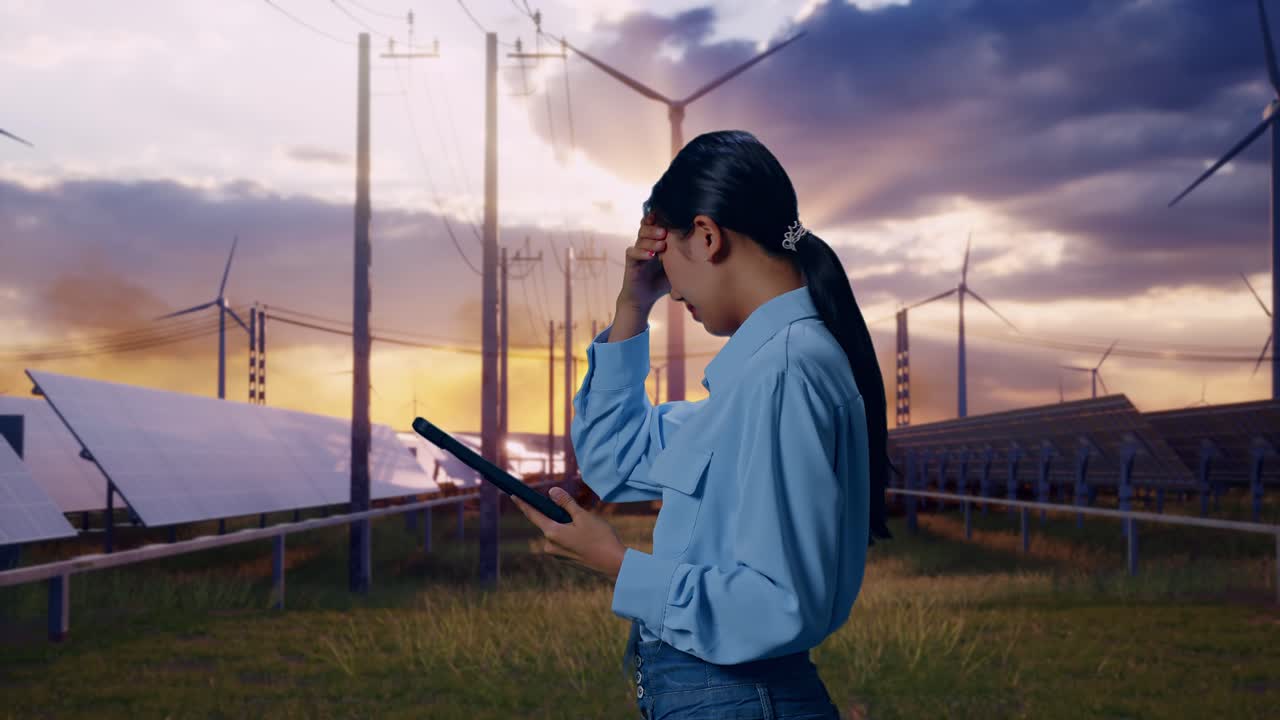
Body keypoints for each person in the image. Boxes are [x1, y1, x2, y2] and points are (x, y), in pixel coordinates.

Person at [510, 129, 896, 720]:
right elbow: (615, 457)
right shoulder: (757, 377)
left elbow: (781, 604)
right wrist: (631, 306)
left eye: (667, 263)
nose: (672, 290)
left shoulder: (784, 373)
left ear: (708, 236)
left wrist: (617, 565)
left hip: (740, 699)